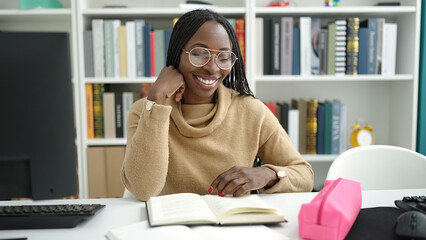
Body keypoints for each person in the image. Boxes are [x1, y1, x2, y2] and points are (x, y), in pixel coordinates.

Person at [121, 9, 314, 201]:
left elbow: (305, 176)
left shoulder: (251, 111)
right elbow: (143, 189)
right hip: (167, 226)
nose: (212, 68)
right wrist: (156, 99)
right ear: (177, 54)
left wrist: (267, 174)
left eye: (223, 57)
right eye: (199, 54)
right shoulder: (144, 111)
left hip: (232, 226)